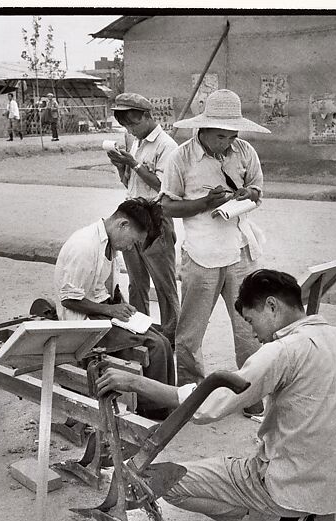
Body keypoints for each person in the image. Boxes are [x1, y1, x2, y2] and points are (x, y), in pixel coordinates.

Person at [96, 269, 336, 521]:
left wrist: (135, 382)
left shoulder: (282, 351)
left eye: (251, 321)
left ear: (271, 306)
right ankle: (314, 508)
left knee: (162, 481)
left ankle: (280, 510)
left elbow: (209, 403)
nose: (253, 333)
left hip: (288, 482)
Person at [159, 89, 271, 416]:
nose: (228, 141)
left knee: (250, 326)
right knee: (190, 333)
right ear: (203, 130)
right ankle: (193, 396)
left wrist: (248, 193)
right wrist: (204, 204)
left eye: (233, 135)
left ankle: (250, 394)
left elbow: (257, 191)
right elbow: (166, 205)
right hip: (201, 253)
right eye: (222, 136)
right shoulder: (181, 158)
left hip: (239, 249)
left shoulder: (244, 151)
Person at [54, 198, 175, 420]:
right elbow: (68, 300)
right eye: (132, 241)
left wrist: (118, 304)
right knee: (155, 345)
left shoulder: (108, 242)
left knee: (164, 340)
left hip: (99, 312)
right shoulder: (84, 245)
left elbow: (100, 289)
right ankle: (152, 412)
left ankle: (166, 403)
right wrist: (110, 311)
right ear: (122, 225)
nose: (130, 247)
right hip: (82, 322)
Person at [105, 93, 180, 347]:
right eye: (126, 126)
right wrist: (121, 166)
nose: (130, 130)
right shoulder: (136, 142)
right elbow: (131, 183)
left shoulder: (166, 146)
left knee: (164, 286)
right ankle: (140, 333)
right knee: (136, 284)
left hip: (156, 222)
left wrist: (135, 164)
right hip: (132, 218)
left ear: (148, 116)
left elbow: (162, 185)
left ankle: (170, 338)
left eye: (133, 124)